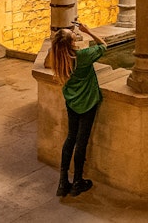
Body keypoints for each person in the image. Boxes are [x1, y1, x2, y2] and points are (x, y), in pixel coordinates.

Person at [46, 21, 106, 198]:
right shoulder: (83, 56)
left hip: (72, 102)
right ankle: (78, 181)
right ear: (72, 43)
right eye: (73, 35)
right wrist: (89, 31)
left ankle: (63, 182)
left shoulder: (58, 58)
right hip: (87, 102)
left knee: (71, 137)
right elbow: (104, 46)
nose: (75, 34)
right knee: (81, 141)